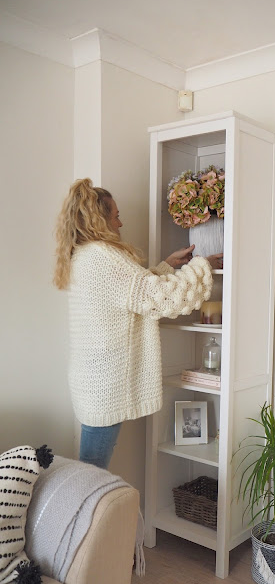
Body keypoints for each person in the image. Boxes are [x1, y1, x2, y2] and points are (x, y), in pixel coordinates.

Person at [54, 178, 223, 469]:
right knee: (91, 474)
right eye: (116, 215)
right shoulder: (104, 257)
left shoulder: (84, 255)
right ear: (99, 218)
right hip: (103, 385)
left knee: (90, 470)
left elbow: (130, 294)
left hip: (92, 381)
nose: (120, 223)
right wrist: (202, 265)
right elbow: (160, 298)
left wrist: (167, 264)